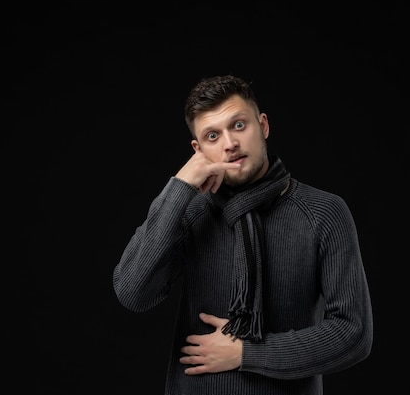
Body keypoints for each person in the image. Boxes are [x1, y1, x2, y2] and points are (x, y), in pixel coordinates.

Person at [113, 74, 373, 394]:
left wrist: (246, 354)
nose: (229, 143)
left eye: (238, 125)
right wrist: (179, 188)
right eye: (212, 135)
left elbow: (353, 333)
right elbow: (132, 292)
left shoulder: (323, 212)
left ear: (262, 125)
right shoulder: (192, 213)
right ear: (198, 150)